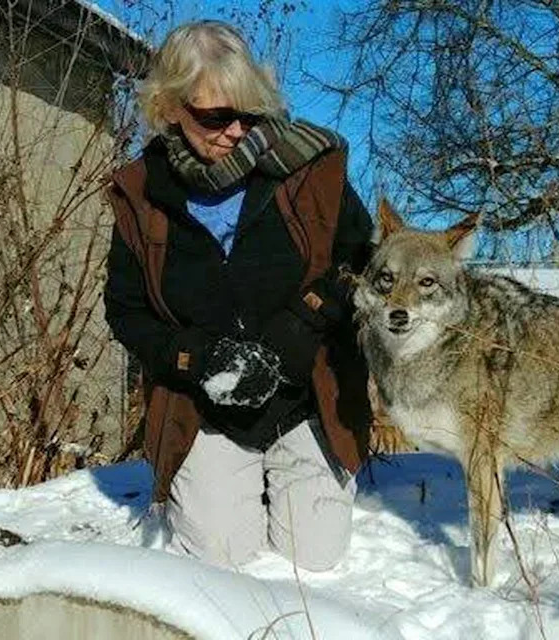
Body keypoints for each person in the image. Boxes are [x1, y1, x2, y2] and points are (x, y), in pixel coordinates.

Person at [104, 20, 374, 572]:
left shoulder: (309, 169)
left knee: (316, 557)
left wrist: (304, 322)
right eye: (216, 116)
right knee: (220, 556)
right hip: (206, 408)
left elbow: (363, 263)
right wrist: (195, 358)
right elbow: (126, 310)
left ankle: (296, 474)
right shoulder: (140, 194)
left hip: (306, 398)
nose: (235, 131)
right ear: (171, 107)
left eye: (248, 114)